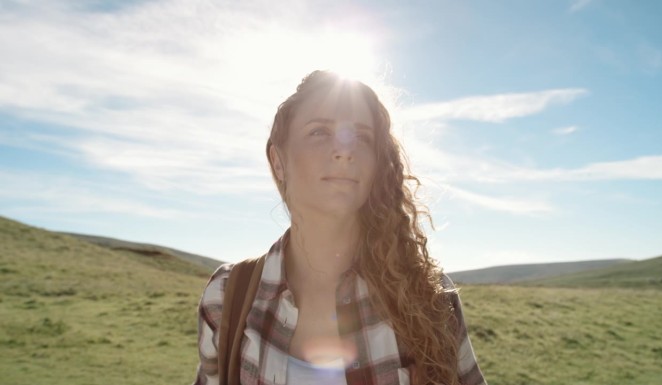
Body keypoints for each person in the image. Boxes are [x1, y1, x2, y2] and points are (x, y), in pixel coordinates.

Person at [193, 71, 487, 385]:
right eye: (319, 132)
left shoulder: (429, 295)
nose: (345, 150)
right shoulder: (227, 295)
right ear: (278, 161)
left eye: (362, 136)